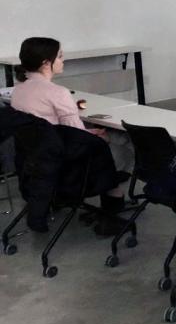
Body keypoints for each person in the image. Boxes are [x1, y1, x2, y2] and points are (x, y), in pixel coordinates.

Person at [10, 37, 128, 235]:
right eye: (60, 56)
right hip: (66, 164)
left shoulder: (18, 91)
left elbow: (52, 130)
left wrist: (87, 131)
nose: (63, 60)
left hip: (37, 163)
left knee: (99, 140)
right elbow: (76, 135)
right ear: (46, 63)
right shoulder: (58, 93)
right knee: (116, 146)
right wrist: (97, 135)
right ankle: (112, 212)